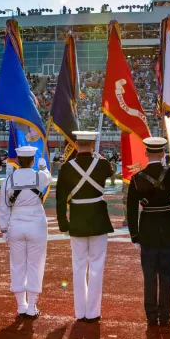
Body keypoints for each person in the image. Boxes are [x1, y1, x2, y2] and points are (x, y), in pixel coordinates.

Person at [56, 130, 114, 323]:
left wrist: (63, 223)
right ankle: (93, 312)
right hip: (98, 219)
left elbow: (60, 199)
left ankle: (80, 312)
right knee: (97, 266)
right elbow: (111, 171)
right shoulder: (103, 164)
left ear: (76, 144)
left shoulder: (66, 168)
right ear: (92, 144)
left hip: (77, 219)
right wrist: (97, 157)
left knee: (78, 266)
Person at [126, 137, 170, 327]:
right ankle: (165, 315)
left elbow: (131, 209)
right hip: (169, 226)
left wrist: (134, 235)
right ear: (162, 153)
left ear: (145, 153)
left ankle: (151, 315)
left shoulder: (136, 178)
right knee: (167, 275)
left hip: (148, 228)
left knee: (149, 275)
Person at [0, 146, 51, 319]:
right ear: (33, 160)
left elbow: (3, 207)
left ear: (18, 161)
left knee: (17, 265)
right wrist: (43, 167)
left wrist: (4, 229)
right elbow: (48, 176)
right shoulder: (40, 176)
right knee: (35, 265)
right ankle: (32, 306)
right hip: (37, 224)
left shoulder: (8, 180)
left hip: (16, 225)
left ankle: (21, 305)